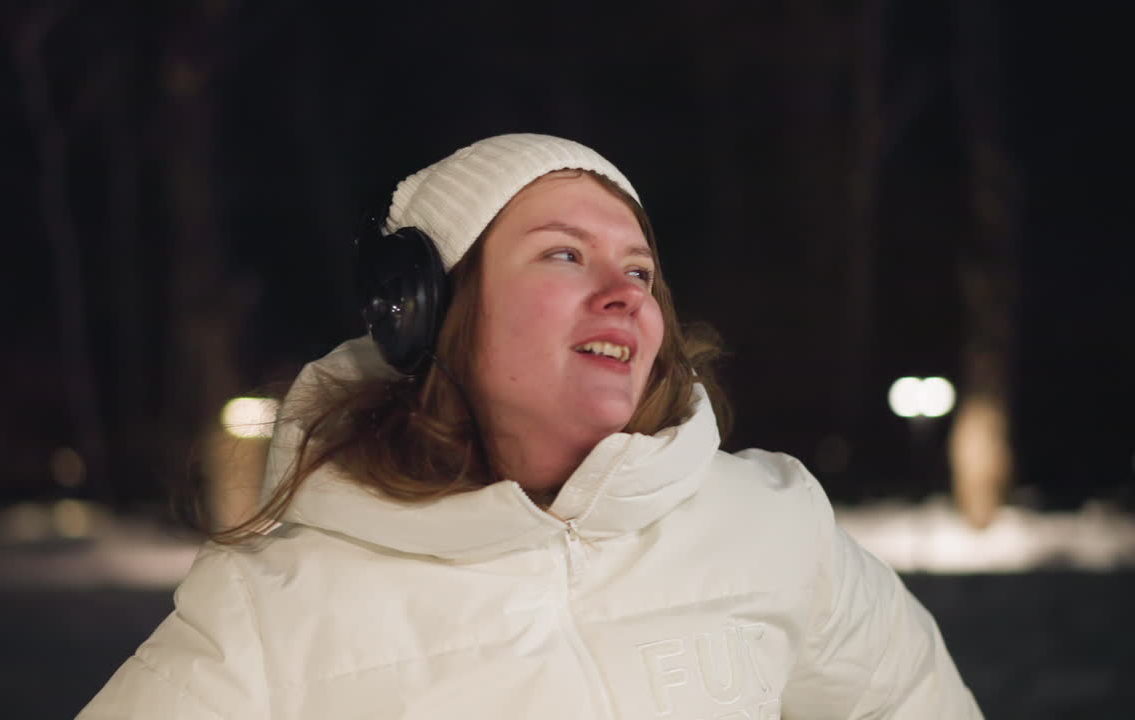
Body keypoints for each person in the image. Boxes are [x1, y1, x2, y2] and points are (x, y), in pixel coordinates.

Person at [79, 133, 982, 719]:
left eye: (640, 269)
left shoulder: (772, 524)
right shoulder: (274, 607)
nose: (623, 292)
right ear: (428, 312)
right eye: (564, 254)